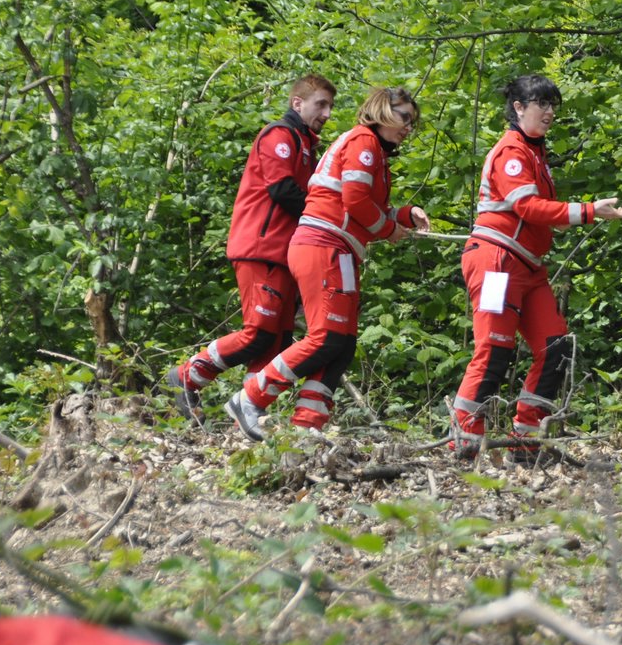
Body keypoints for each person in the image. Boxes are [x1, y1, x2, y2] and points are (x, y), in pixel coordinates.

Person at [224, 87, 430, 438]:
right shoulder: (364, 142)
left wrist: (406, 215)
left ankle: (307, 425)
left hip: (340, 249)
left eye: (413, 120)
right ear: (382, 111)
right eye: (404, 117)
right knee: (324, 337)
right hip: (324, 246)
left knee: (342, 342)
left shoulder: (374, 151)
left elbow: (366, 207)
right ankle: (250, 397)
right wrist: (389, 228)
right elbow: (355, 202)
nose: (409, 127)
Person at [449, 75, 622, 460]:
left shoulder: (536, 153)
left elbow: (547, 216)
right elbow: (527, 208)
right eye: (541, 104)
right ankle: (463, 441)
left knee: (556, 347)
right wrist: (586, 210)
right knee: (494, 348)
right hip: (496, 262)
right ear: (518, 108)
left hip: (527, 268)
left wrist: (601, 214)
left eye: (553, 105)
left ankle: (527, 440)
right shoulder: (512, 152)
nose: (549, 112)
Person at [163, 74, 336, 420]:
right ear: (297, 103)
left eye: (331, 106)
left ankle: (249, 412)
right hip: (261, 246)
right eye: (321, 104)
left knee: (276, 342)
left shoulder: (305, 143)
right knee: (258, 333)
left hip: (284, 253)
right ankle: (186, 376)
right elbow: (282, 191)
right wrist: (328, 214)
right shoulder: (280, 136)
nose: (328, 113)